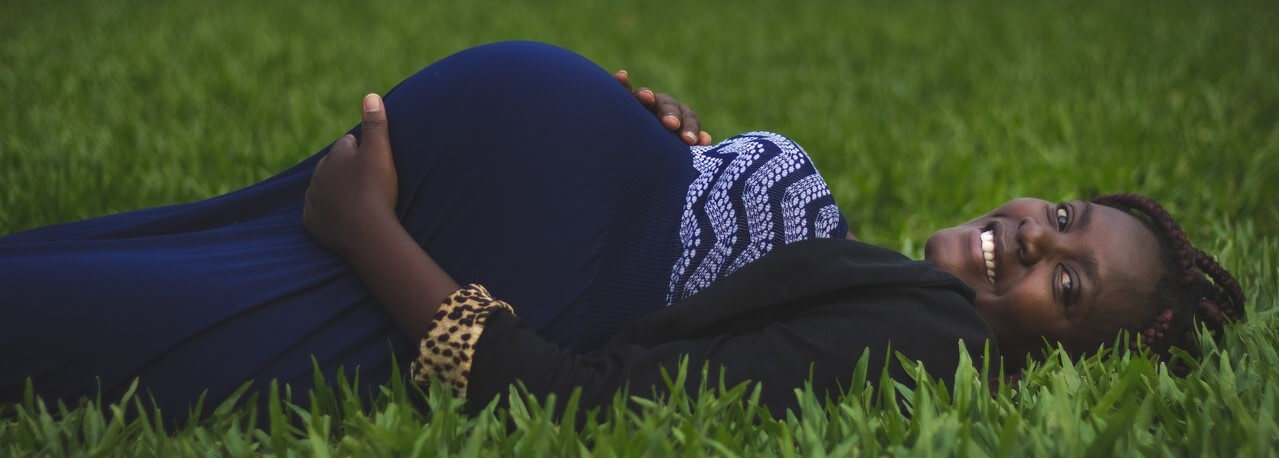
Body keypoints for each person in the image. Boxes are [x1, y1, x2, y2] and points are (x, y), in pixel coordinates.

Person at [0, 42, 1244, 420]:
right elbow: (706, 270)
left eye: (1068, 288)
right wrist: (686, 162)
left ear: (1072, 359)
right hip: (432, 203)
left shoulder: (924, 343)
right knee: (103, 266)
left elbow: (594, 399)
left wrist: (367, 225)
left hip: (387, 247)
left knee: (75, 320)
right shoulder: (900, 290)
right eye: (1064, 219)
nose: (1032, 240)